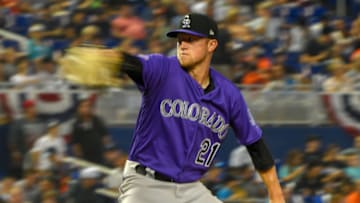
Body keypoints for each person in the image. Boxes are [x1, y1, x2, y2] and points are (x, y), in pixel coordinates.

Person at [66, 13, 285, 202]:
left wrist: (276, 194)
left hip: (190, 189)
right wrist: (111, 58)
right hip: (146, 185)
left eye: (191, 39)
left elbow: (255, 144)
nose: (183, 44)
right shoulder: (162, 68)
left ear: (211, 45)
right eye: (180, 39)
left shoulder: (229, 95)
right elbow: (132, 63)